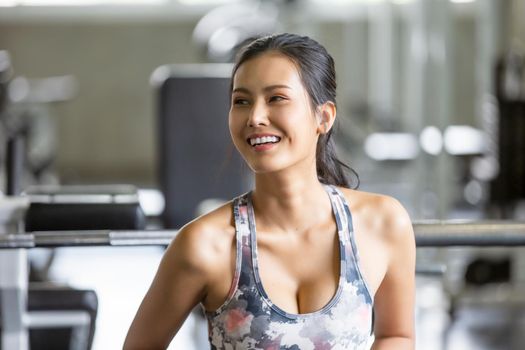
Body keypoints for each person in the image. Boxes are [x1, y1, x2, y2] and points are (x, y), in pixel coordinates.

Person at [124, 33, 415, 350]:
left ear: (324, 117)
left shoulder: (383, 223)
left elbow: (395, 335)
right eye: (242, 101)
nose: (255, 117)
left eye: (276, 98)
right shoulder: (205, 245)